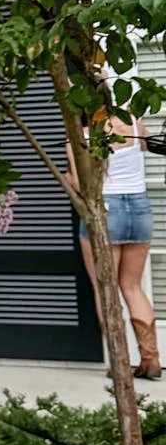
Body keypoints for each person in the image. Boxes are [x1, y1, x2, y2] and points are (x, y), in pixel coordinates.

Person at [68, 111, 159, 378]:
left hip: (106, 210)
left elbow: (81, 184)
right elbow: (147, 143)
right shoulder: (131, 121)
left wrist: (65, 175)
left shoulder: (80, 135)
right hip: (140, 207)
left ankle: (120, 363)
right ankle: (151, 360)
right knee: (132, 286)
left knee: (103, 286)